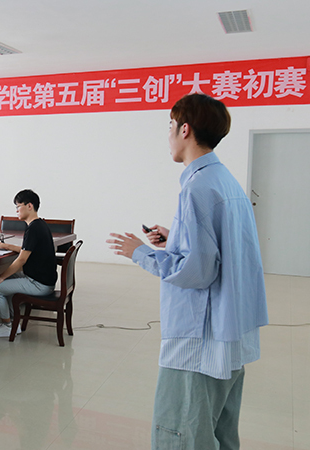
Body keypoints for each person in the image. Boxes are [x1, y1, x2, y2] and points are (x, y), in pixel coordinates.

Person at [106, 93, 268, 450]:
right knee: (220, 433)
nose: (167, 136)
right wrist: (176, 238)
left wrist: (141, 253)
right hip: (231, 333)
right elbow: (223, 250)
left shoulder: (197, 187)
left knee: (181, 435)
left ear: (185, 129)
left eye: (170, 126)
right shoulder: (225, 181)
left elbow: (197, 272)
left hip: (200, 342)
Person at [0, 189, 57, 338]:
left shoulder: (33, 228)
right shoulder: (39, 225)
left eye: (18, 206)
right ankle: (13, 322)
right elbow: (27, 250)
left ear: (29, 206)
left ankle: (7, 326)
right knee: (5, 280)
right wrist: (5, 246)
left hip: (39, 284)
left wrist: (1, 277)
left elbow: (22, 259)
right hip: (43, 280)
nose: (16, 210)